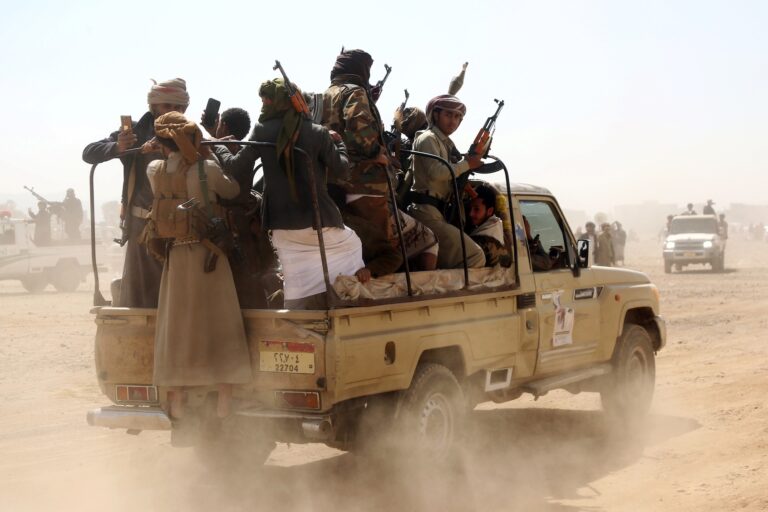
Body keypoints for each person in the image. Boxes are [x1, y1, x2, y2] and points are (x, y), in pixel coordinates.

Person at [214, 78, 365, 309]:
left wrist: (218, 145)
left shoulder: (261, 129)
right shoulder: (318, 132)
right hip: (318, 221)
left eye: (266, 99)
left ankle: (294, 321)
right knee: (352, 245)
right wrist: (340, 143)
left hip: (279, 225)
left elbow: (235, 166)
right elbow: (342, 169)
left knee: (295, 280)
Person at [147, 112, 250, 419]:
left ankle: (176, 400)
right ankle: (223, 403)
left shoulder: (155, 170)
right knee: (222, 325)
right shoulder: (206, 169)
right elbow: (233, 192)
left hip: (176, 259)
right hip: (209, 257)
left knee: (178, 329)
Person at [82, 78, 190, 307]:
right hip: (143, 226)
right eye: (167, 106)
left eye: (179, 108)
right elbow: (89, 153)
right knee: (143, 295)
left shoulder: (191, 134)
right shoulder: (135, 134)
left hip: (186, 227)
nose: (174, 112)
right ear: (154, 106)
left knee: (184, 295)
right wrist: (118, 147)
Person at [320, 49, 398, 252]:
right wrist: (376, 153)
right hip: (365, 183)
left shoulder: (322, 96)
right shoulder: (354, 91)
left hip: (332, 181)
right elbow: (359, 128)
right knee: (380, 249)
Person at [408, 94, 485, 269]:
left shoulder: (445, 144)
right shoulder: (428, 139)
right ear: (436, 115)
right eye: (448, 115)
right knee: (475, 256)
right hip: (426, 211)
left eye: (458, 117)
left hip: (438, 211)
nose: (453, 121)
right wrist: (467, 164)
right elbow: (436, 172)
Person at [468, 183, 510, 267]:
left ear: (490, 211)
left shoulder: (484, 242)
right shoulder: (497, 226)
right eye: (470, 208)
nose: (470, 214)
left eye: (476, 209)